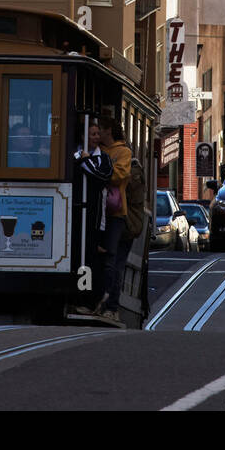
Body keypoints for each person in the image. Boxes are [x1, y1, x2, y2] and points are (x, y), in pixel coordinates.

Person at [91, 114, 131, 326]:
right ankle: (97, 301)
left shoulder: (123, 152)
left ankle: (112, 306)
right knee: (99, 258)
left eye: (100, 130)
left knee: (111, 260)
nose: (97, 134)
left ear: (108, 131)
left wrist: (97, 169)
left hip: (115, 213)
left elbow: (119, 176)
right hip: (97, 211)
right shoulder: (98, 151)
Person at [71, 120, 113, 315]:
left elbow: (102, 177)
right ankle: (78, 297)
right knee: (78, 255)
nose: (96, 137)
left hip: (95, 216)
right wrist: (81, 159)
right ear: (83, 137)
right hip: (75, 213)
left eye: (98, 134)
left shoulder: (104, 158)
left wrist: (84, 161)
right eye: (92, 134)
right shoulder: (73, 155)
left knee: (91, 256)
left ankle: (91, 298)